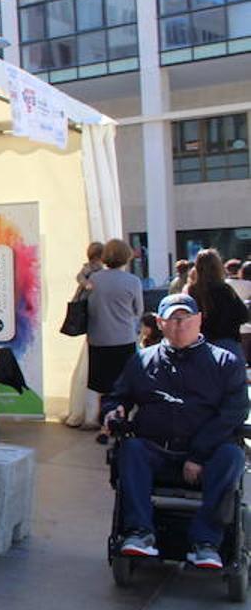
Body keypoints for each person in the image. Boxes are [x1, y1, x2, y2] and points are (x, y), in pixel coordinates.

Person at [105, 293, 249, 569]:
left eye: (185, 319)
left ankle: (206, 543)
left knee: (231, 456)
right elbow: (118, 395)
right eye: (172, 319)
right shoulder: (142, 360)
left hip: (206, 456)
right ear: (159, 323)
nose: (179, 325)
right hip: (157, 449)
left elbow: (234, 412)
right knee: (130, 449)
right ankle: (139, 533)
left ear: (199, 320)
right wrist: (115, 410)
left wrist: (198, 454)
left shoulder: (225, 363)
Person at [85, 239, 144, 437]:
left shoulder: (93, 279)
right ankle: (121, 419)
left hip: (98, 338)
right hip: (123, 338)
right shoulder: (132, 281)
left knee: (102, 384)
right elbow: (139, 310)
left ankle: (104, 421)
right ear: (126, 256)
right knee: (124, 384)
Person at [185, 248, 248, 359]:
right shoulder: (225, 290)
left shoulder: (191, 291)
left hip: (200, 347)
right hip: (228, 344)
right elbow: (243, 316)